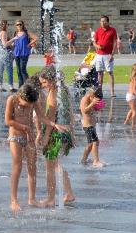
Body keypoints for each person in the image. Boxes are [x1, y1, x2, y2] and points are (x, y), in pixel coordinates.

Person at [6, 81, 48, 210]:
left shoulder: (33, 100)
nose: (28, 106)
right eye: (26, 104)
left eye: (31, 105)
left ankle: (32, 199)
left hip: (29, 137)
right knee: (17, 166)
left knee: (32, 167)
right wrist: (24, 127)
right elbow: (8, 121)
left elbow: (41, 117)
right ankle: (13, 200)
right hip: (15, 136)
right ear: (21, 96)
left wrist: (53, 124)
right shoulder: (12, 100)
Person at [37, 68, 76, 206]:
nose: (43, 85)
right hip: (65, 131)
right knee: (57, 165)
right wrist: (72, 133)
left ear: (53, 80)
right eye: (41, 83)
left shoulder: (53, 94)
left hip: (55, 133)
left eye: (45, 82)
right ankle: (69, 193)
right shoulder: (63, 91)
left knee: (50, 167)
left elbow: (51, 118)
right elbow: (70, 113)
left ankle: (51, 198)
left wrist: (45, 138)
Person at [79, 85, 105, 168]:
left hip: (91, 125)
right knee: (95, 142)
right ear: (91, 95)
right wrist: (92, 103)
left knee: (90, 144)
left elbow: (93, 110)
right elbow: (84, 110)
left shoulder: (91, 99)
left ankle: (83, 159)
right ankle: (96, 161)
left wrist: (98, 107)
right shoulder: (84, 99)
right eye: (94, 97)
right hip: (88, 125)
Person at [10, 21, 32, 85]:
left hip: (24, 54)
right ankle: (20, 86)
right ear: (16, 26)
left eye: (20, 24)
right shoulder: (15, 33)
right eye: (17, 25)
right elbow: (13, 42)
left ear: (22, 25)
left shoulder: (26, 33)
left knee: (23, 69)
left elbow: (36, 38)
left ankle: (28, 85)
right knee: (18, 71)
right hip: (16, 54)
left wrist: (29, 44)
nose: (19, 26)